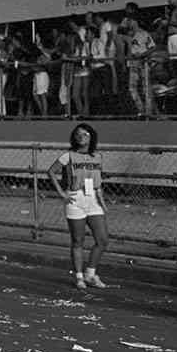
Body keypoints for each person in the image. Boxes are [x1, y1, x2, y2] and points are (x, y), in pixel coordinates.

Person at [47, 123, 109, 290]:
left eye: (85, 134)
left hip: (93, 199)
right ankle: (79, 277)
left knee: (102, 240)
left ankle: (91, 273)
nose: (81, 137)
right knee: (78, 241)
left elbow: (98, 183)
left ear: (91, 137)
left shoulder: (97, 156)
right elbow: (51, 171)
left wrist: (102, 202)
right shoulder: (68, 156)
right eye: (78, 134)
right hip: (76, 199)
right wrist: (62, 193)